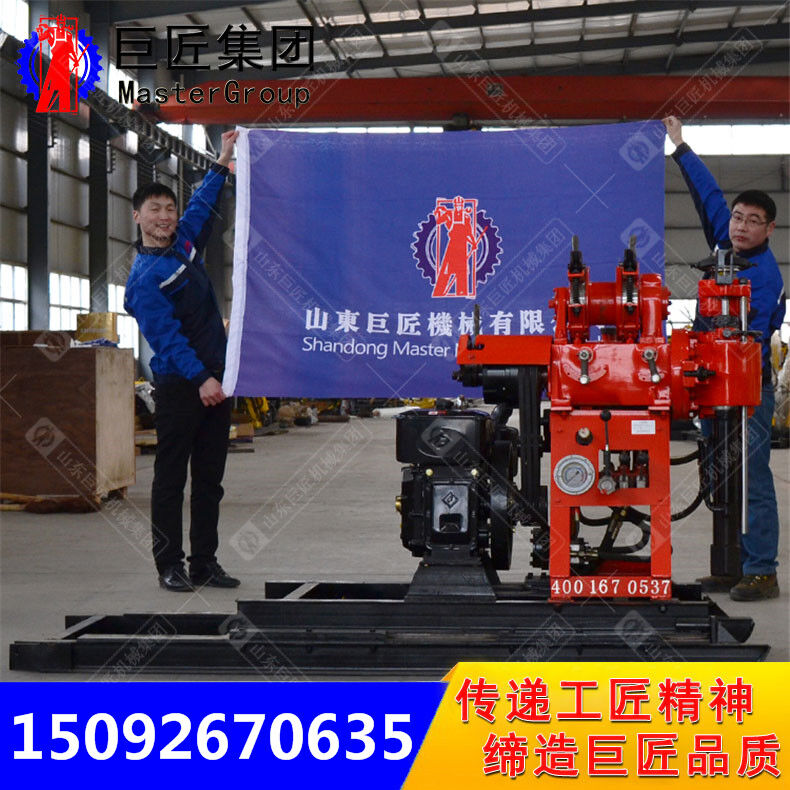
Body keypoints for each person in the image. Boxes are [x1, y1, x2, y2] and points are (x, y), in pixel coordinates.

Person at [663, 115, 785, 601]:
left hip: (747, 388)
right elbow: (708, 194)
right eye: (738, 217)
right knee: (719, 475)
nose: (741, 226)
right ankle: (729, 566)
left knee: (751, 478)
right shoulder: (723, 242)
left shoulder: (766, 276)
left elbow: (750, 339)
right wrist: (680, 146)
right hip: (713, 385)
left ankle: (762, 570)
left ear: (769, 228)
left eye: (753, 221)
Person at [125, 130, 241, 591]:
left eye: (169, 209)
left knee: (210, 481)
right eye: (155, 209)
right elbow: (168, 340)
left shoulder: (184, 246)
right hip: (181, 387)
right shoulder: (145, 280)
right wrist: (201, 379)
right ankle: (169, 564)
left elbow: (201, 207)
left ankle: (204, 563)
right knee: (171, 481)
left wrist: (222, 161)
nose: (165, 216)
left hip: (216, 381)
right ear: (138, 216)